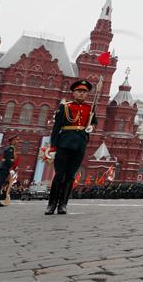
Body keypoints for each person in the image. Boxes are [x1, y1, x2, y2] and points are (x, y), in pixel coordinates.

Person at [45, 79, 99, 215]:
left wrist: (91, 127)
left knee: (70, 176)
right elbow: (56, 128)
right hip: (64, 143)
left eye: (84, 92)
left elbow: (94, 122)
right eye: (79, 91)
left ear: (87, 95)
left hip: (80, 145)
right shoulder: (65, 107)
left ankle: (63, 204)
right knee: (59, 175)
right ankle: (51, 204)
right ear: (73, 93)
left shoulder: (90, 108)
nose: (82, 94)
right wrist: (53, 147)